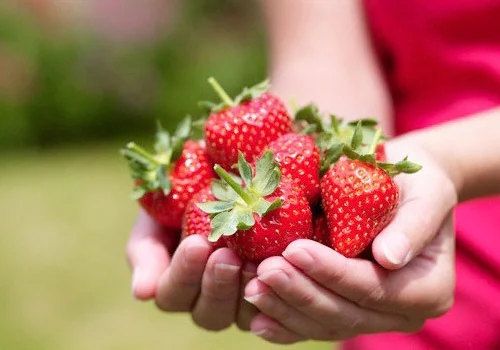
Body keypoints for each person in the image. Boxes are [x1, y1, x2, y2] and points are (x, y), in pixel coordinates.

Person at [126, 0, 500, 349]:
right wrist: (320, 152)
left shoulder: (366, 186)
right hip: (402, 268)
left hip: (415, 209)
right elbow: (323, 63)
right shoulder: (342, 185)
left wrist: (449, 160)